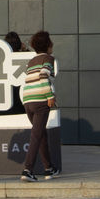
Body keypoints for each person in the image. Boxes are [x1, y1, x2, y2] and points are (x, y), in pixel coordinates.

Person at [19, 31, 60, 182]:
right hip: (40, 101)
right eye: (51, 42)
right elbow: (44, 76)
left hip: (28, 101)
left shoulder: (31, 61)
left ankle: (48, 168)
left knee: (41, 133)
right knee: (36, 135)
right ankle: (27, 169)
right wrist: (50, 96)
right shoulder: (48, 58)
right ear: (48, 45)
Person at [3, 31, 26, 115]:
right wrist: (25, 49)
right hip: (19, 102)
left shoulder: (1, 60)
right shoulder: (24, 57)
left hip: (3, 103)